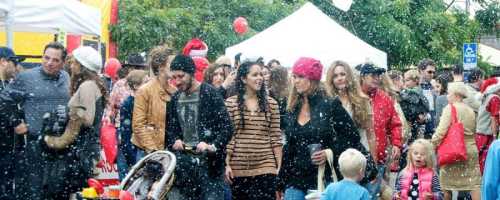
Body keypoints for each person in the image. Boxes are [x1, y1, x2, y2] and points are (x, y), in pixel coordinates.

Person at [277, 57, 369, 200]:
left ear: (313, 78)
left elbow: (352, 137)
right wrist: (281, 181)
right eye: (294, 77)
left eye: (301, 76)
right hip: (295, 179)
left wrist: (329, 152)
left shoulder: (330, 104)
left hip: (323, 179)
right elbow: (289, 147)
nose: (296, 81)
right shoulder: (291, 107)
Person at [1, 42, 70, 200]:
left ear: (63, 62)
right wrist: (16, 122)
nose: (49, 63)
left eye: (55, 60)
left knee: (57, 190)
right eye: (46, 58)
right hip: (35, 144)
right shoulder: (27, 77)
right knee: (34, 191)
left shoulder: (66, 77)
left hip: (61, 144)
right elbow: (3, 100)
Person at [42, 46, 107, 199]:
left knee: (69, 193)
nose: (71, 66)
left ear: (82, 66)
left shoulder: (87, 86)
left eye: (74, 63)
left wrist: (67, 113)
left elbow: (88, 119)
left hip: (79, 152)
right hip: (84, 150)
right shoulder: (93, 84)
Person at [166, 55, 233, 200]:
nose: (177, 81)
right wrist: (175, 140)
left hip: (211, 169)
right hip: (185, 168)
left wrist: (212, 146)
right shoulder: (175, 99)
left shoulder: (210, 93)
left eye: (181, 76)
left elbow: (227, 128)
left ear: (191, 73)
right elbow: (170, 130)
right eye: (174, 77)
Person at [224, 61, 282, 200]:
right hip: (238, 168)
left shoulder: (272, 104)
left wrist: (278, 167)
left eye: (261, 74)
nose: (260, 78)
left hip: (266, 166)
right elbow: (229, 138)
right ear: (244, 79)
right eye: (255, 75)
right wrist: (226, 164)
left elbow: (275, 136)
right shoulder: (230, 104)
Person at [357, 63, 402, 199]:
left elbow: (395, 124)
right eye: (373, 75)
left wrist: (396, 144)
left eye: (378, 75)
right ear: (363, 77)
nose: (377, 78)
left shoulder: (384, 98)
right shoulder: (354, 97)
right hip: (355, 157)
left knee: (372, 195)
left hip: (379, 157)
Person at [431, 82, 482, 200]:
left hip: (453, 151)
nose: (447, 96)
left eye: (449, 93)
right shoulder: (470, 109)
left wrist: (431, 144)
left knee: (446, 186)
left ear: (457, 95)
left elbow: (441, 131)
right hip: (470, 150)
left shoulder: (450, 108)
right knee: (474, 184)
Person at [132, 45, 176, 159]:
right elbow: (138, 125)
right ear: (161, 66)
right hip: (148, 152)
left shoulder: (175, 91)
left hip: (169, 151)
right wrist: (153, 151)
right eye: (172, 64)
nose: (176, 67)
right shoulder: (145, 90)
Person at [325, 61, 374, 158]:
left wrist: (373, 160)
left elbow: (370, 133)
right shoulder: (328, 102)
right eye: (335, 76)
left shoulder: (362, 100)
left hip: (361, 153)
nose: (339, 78)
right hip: (339, 154)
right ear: (331, 80)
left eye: (342, 74)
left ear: (349, 76)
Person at [0, 47, 24, 200]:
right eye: (14, 62)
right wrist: (16, 122)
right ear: (3, 62)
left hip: (8, 149)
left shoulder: (8, 85)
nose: (16, 67)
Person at [117, 70, 148, 180]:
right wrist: (131, 157)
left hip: (141, 149)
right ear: (135, 86)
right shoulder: (128, 104)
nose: (149, 85)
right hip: (131, 150)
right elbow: (126, 133)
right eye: (146, 82)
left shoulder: (145, 101)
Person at [475, 77, 500, 174]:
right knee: (488, 166)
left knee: (482, 165)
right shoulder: (495, 98)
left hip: (480, 135)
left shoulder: (486, 97)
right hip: (487, 136)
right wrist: (494, 137)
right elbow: (494, 118)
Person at [269, 66, 289, 130]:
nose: (288, 78)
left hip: (282, 129)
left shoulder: (290, 93)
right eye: (287, 76)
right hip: (274, 129)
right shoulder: (268, 94)